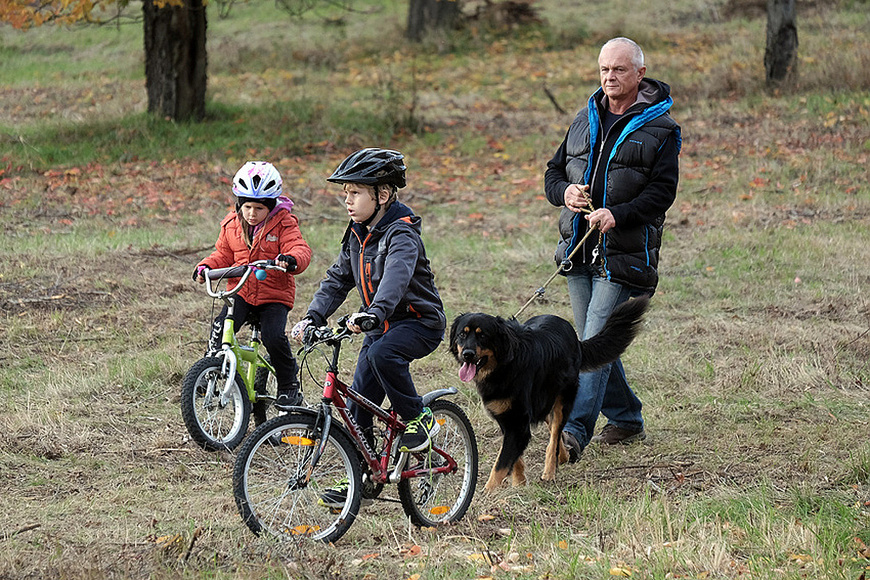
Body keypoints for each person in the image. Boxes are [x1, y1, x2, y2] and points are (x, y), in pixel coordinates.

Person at [544, 37, 681, 460]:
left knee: (590, 343)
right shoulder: (584, 121)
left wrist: (617, 214)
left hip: (625, 255)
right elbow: (552, 173)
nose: (609, 77)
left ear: (639, 74)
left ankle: (573, 434)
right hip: (579, 251)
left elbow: (663, 192)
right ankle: (626, 417)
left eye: (619, 70)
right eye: (604, 69)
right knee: (596, 345)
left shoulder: (662, 129)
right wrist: (565, 192)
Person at [291, 148, 447, 461]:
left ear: (383, 194)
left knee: (382, 353)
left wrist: (373, 313)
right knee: (358, 405)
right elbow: (337, 280)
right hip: (378, 325)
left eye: (356, 192)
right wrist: (313, 316)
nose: (347, 200)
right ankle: (361, 475)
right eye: (345, 193)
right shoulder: (356, 234)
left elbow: (395, 279)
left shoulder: (401, 234)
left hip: (418, 323)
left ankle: (419, 418)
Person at [194, 161, 312, 411]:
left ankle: (288, 383)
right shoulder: (231, 225)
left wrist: (290, 260)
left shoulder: (284, 223)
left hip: (274, 295)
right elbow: (222, 255)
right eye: (247, 206)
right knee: (221, 326)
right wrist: (206, 267)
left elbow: (299, 249)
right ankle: (210, 370)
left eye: (258, 208)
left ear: (270, 207)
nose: (252, 213)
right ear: (239, 204)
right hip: (242, 291)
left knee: (273, 336)